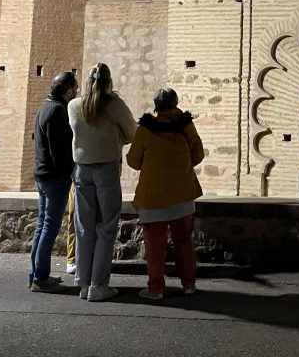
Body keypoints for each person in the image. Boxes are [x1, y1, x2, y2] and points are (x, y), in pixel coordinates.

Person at [126, 87, 204, 300]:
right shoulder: (186, 126)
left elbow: (133, 161)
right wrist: (183, 166)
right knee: (184, 242)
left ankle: (156, 289)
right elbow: (198, 153)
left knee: (155, 247)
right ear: (175, 103)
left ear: (157, 106)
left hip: (153, 198)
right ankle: (189, 284)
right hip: (183, 194)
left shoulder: (146, 129)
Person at [68, 63, 137, 302]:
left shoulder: (74, 105)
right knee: (106, 227)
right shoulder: (114, 106)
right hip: (106, 168)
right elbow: (132, 134)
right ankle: (98, 284)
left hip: (81, 169)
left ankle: (83, 282)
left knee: (84, 227)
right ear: (109, 82)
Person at [28, 71, 78, 293]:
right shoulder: (58, 111)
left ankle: (37, 274)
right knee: (49, 226)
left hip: (42, 175)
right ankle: (41, 278)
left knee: (42, 225)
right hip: (54, 178)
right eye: (75, 89)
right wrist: (69, 172)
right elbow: (59, 151)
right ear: (68, 91)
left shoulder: (44, 108)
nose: (76, 93)